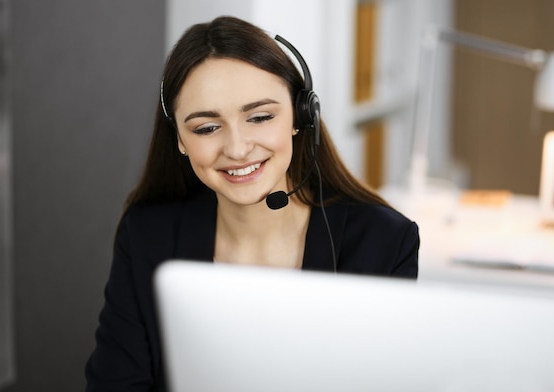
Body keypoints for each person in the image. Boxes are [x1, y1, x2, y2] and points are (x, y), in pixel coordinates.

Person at [85, 15, 419, 392]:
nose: (238, 148)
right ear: (179, 138)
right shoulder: (149, 236)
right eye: (206, 128)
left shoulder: (384, 242)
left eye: (260, 117)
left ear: (300, 116)